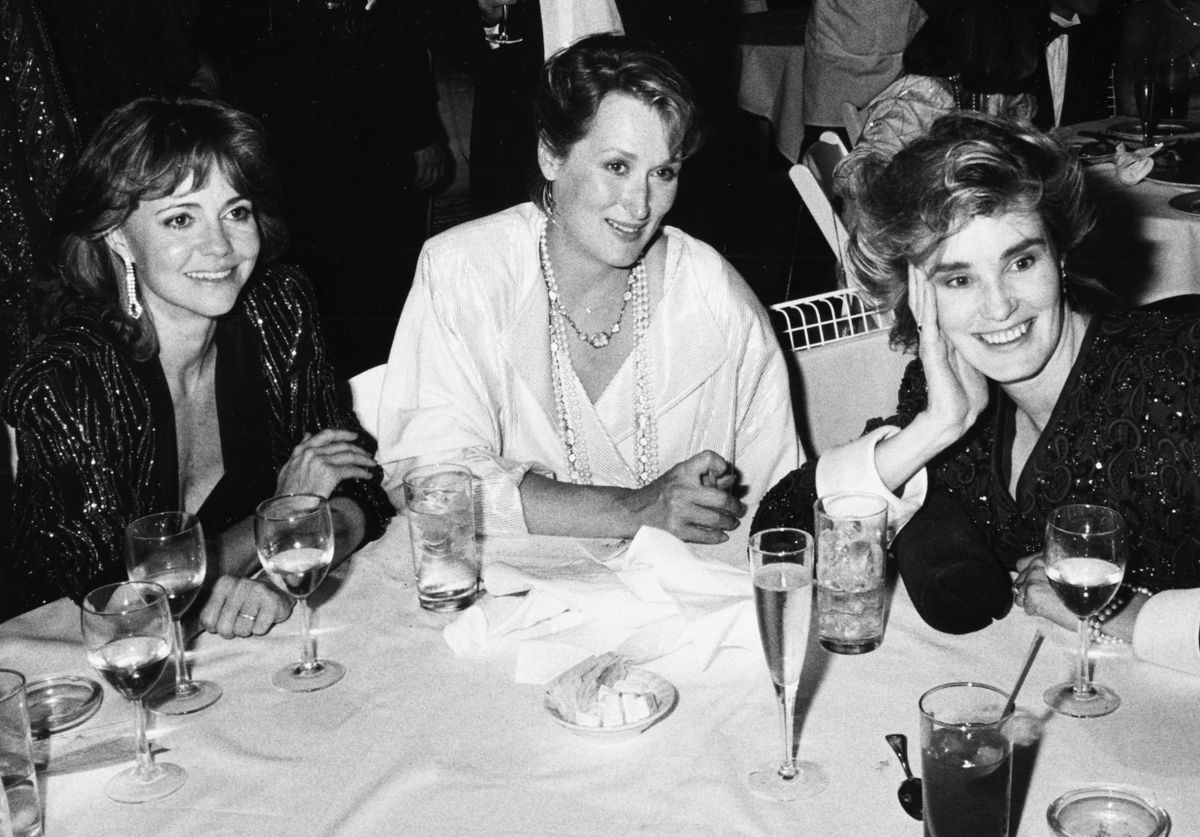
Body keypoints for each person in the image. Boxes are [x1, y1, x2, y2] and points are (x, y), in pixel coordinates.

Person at [753, 113, 1200, 670]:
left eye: (1021, 261)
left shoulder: (1179, 370)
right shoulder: (948, 390)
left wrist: (1123, 616)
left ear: (1059, 256)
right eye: (958, 279)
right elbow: (780, 534)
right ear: (916, 296)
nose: (999, 306)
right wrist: (933, 430)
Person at [378, 35, 800, 545]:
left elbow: (780, 502)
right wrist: (632, 509)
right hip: (507, 597)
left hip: (682, 602)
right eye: (617, 166)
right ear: (551, 156)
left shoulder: (712, 297)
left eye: (662, 173)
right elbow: (431, 485)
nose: (640, 205)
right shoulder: (465, 271)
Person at [1, 96, 393, 630]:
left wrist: (306, 538)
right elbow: (119, 600)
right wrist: (279, 519)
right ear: (117, 236)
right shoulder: (68, 382)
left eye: (236, 212)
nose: (220, 247)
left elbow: (360, 486)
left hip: (220, 636)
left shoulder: (277, 310)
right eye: (180, 219)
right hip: (63, 662)